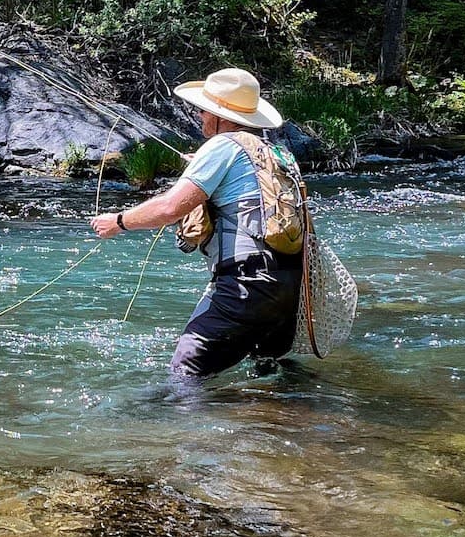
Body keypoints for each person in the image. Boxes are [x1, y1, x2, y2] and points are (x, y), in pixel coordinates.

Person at [89, 67, 304, 379]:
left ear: (221, 115)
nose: (200, 116)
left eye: (205, 110)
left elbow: (169, 208)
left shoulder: (222, 147)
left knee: (185, 372)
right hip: (288, 289)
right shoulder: (277, 153)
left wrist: (118, 222)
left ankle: (183, 429)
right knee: (267, 375)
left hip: (246, 285)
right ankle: (281, 423)